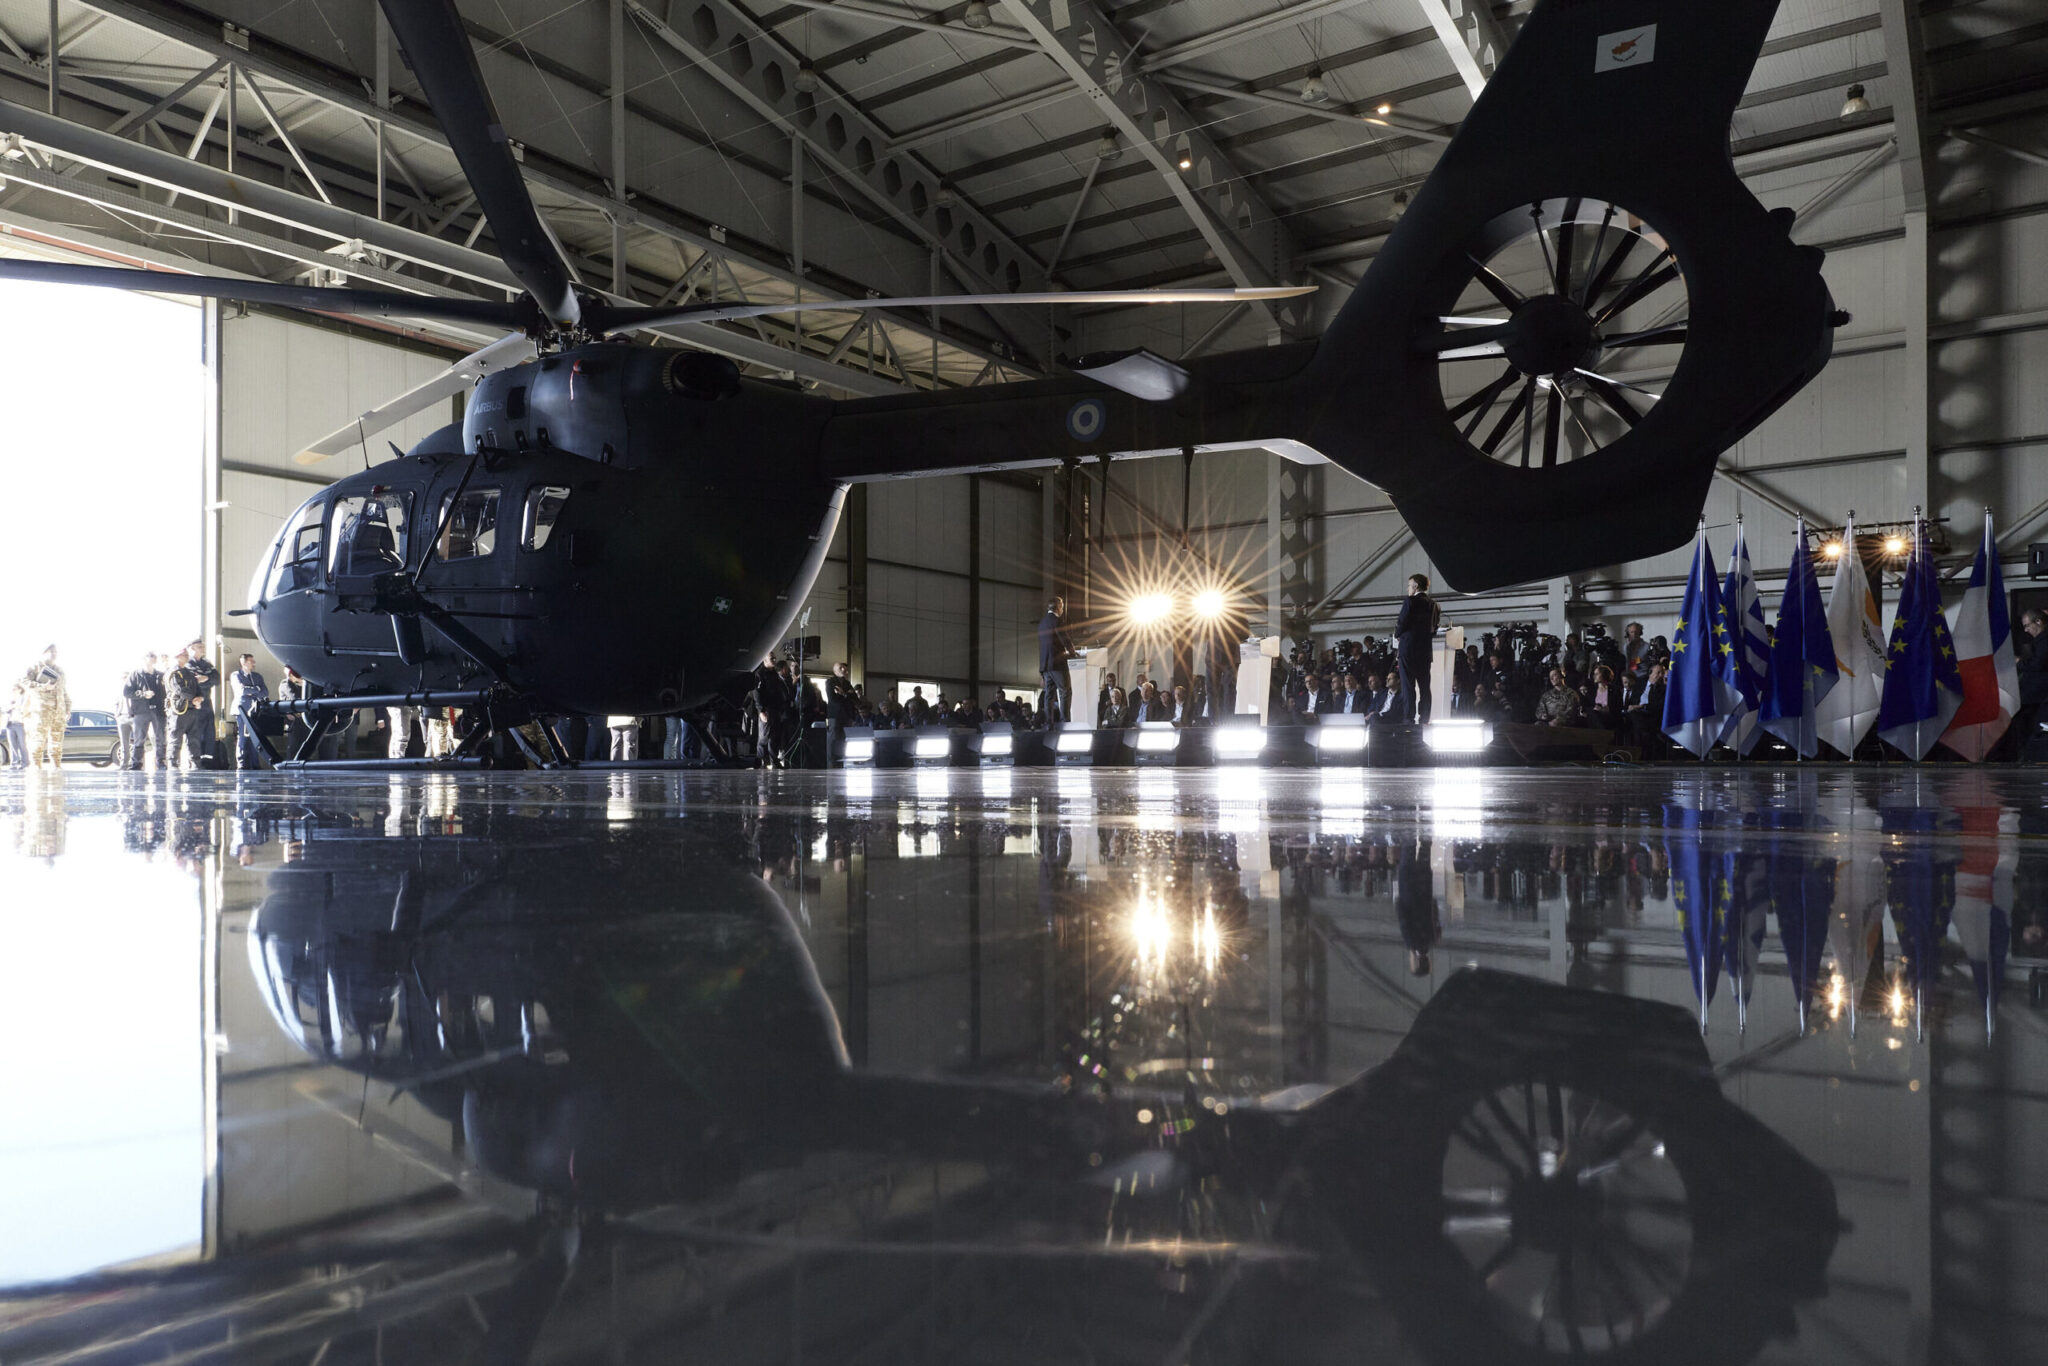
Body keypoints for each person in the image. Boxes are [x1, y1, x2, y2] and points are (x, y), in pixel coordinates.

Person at [1394, 574, 1440, 723]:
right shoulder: (1434, 605)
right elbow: (1434, 628)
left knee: (1408, 685)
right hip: (1425, 651)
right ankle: (1424, 717)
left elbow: (1402, 622)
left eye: (1409, 585)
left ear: (1415, 586)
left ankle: (1409, 718)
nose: (1407, 588)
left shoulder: (1410, 601)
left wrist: (1397, 634)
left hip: (1408, 649)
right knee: (1424, 686)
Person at [19, 645, 69, 769]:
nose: (54, 654)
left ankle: (56, 765)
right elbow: (24, 681)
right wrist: (43, 687)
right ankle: (36, 765)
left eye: (55, 652)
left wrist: (68, 708)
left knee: (57, 740)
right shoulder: (34, 667)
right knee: (38, 739)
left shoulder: (60, 670)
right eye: (51, 651)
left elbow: (63, 690)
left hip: (59, 711)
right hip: (40, 710)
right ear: (44, 652)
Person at [165, 650, 210, 769]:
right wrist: (194, 699)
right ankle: (173, 763)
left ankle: (195, 763)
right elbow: (180, 690)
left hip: (192, 710)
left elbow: (197, 688)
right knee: (176, 738)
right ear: (177, 656)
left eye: (186, 655)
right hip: (178, 710)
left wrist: (200, 698)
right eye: (184, 655)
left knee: (194, 739)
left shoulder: (189, 673)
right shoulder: (173, 673)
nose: (187, 657)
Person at [123, 651, 167, 771]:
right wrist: (143, 694)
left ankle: (161, 763)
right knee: (139, 738)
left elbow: (168, 691)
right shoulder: (135, 674)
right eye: (151, 656)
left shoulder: (161, 675)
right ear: (144, 658)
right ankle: (136, 764)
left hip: (158, 711)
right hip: (141, 711)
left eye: (155, 656)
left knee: (161, 737)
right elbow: (127, 692)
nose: (154, 658)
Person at [1038, 596, 1076, 723]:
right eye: (1062, 607)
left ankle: (1049, 723)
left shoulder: (1042, 623)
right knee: (1065, 692)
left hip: (1045, 666)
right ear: (1058, 607)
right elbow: (1065, 639)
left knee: (1049, 695)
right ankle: (1065, 721)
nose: (1062, 610)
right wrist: (1072, 652)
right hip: (1058, 664)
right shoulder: (1057, 621)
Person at [229, 653, 269, 770]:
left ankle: (255, 763)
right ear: (244, 663)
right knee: (242, 736)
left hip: (255, 710)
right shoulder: (236, 675)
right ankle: (241, 763)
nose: (254, 663)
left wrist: (251, 690)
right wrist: (256, 689)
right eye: (251, 661)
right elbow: (241, 691)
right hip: (242, 710)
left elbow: (265, 692)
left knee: (254, 737)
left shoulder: (257, 676)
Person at [184, 639, 221, 765]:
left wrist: (205, 678)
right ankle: (194, 760)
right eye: (199, 646)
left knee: (209, 731)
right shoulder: (188, 664)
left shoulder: (207, 664)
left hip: (207, 702)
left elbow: (217, 679)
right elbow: (193, 683)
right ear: (192, 648)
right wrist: (207, 680)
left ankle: (207, 761)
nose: (203, 648)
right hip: (194, 703)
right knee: (195, 731)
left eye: (203, 646)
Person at [2, 683, 26, 769]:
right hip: (10, 724)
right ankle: (14, 764)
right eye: (12, 689)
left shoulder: (24, 698)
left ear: (20, 689)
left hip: (20, 724)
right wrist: (11, 707)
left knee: (22, 745)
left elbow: (25, 710)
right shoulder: (10, 699)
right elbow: (4, 709)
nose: (13, 691)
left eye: (14, 689)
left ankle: (24, 764)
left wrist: (17, 707)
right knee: (12, 745)